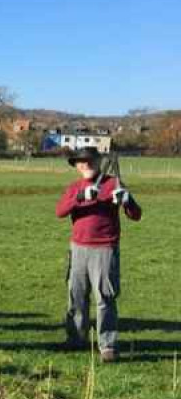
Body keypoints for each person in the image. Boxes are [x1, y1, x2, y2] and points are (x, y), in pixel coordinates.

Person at [56, 146, 141, 362]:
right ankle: (76, 339)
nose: (85, 164)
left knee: (105, 298)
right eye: (80, 161)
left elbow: (136, 214)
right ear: (76, 166)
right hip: (78, 249)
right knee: (76, 296)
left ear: (98, 161)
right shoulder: (74, 187)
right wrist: (81, 196)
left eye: (89, 160)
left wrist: (126, 200)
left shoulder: (113, 184)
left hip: (105, 249)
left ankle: (107, 346)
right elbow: (60, 211)